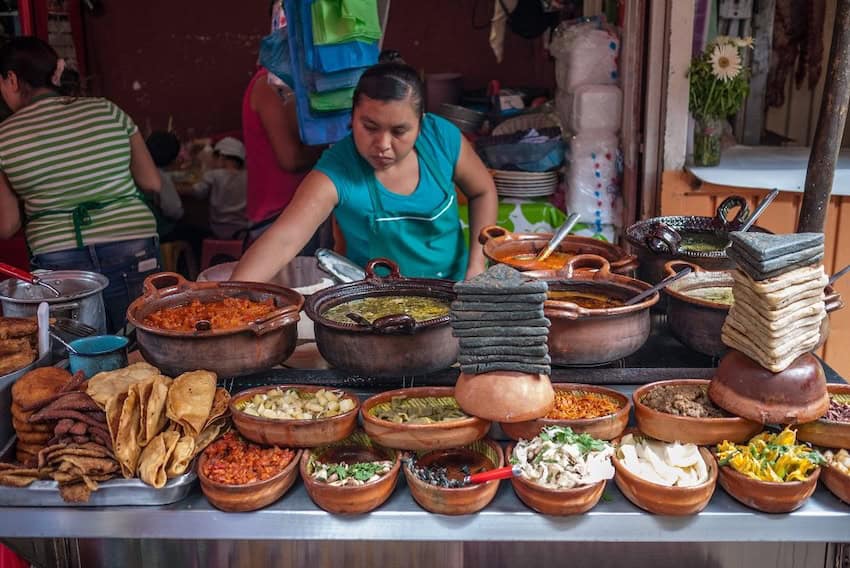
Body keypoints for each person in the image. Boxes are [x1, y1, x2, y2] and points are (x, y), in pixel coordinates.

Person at [232, 60, 498, 282]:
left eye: (399, 131)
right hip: (374, 309)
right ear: (352, 117)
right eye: (370, 127)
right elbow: (284, 240)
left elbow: (482, 191)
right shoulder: (337, 169)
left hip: (454, 292)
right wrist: (230, 297)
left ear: (421, 123)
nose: (382, 145)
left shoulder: (442, 139)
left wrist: (476, 266)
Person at [0, 37, 162, 333]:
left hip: (58, 255)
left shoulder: (4, 137)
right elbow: (152, 182)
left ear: (11, 79)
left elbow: (8, 225)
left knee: (76, 350)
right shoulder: (107, 111)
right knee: (142, 338)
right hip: (131, 243)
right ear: (54, 74)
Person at [242, 66, 324, 234]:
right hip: (278, 217)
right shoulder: (270, 84)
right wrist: (333, 146)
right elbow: (291, 160)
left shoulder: (293, 81)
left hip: (296, 212)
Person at [180, 137, 250, 240]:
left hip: (219, 230)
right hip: (244, 230)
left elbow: (198, 192)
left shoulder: (214, 175)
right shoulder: (249, 176)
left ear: (221, 157)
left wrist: (172, 187)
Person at [145, 130, 184, 238]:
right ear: (173, 158)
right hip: (160, 233)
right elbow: (174, 211)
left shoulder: (138, 170)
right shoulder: (161, 178)